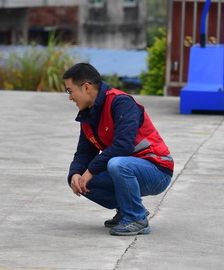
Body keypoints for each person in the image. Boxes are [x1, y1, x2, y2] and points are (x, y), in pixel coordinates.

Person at [62, 63, 174, 236]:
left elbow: (123, 145)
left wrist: (90, 171)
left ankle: (137, 219)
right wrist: (76, 173)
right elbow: (84, 152)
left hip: (157, 170)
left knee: (117, 164)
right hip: (127, 167)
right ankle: (128, 208)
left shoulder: (121, 102)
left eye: (70, 91)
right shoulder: (88, 114)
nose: (70, 97)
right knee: (80, 179)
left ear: (86, 87)